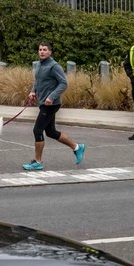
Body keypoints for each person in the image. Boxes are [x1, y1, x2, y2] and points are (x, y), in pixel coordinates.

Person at [22, 42, 85, 171]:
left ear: (50, 52)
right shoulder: (39, 65)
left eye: (45, 50)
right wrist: (33, 91)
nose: (42, 52)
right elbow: (38, 81)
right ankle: (77, 147)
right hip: (43, 103)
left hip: (51, 104)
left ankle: (37, 162)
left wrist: (51, 96)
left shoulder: (54, 66)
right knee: (50, 132)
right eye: (40, 50)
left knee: (37, 130)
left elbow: (63, 83)